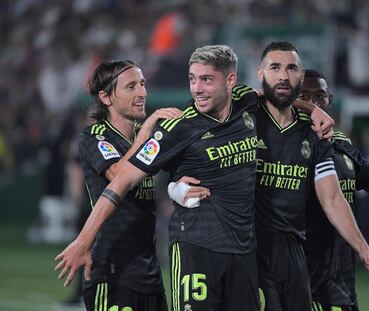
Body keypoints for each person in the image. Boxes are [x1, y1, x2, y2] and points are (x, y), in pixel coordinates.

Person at [54, 46, 333, 311]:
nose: (197, 88)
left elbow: (276, 97)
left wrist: (313, 110)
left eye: (206, 80)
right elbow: (121, 181)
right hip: (196, 251)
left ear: (230, 80)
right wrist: (82, 241)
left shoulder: (246, 103)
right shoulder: (177, 127)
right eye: (192, 79)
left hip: (243, 254)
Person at [253, 41, 369, 311]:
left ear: (300, 76)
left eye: (291, 69)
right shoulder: (243, 116)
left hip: (294, 254)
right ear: (260, 73)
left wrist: (362, 247)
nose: (283, 76)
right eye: (275, 67)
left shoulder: (316, 134)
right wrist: (178, 185)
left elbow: (333, 199)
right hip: (249, 249)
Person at [60, 59, 190, 311]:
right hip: (111, 271)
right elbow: (120, 174)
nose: (142, 92)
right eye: (131, 87)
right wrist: (149, 129)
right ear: (106, 96)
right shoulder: (95, 136)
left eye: (142, 84)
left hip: (150, 273)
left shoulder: (147, 135)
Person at [300, 69, 369, 311]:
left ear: (329, 101)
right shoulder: (284, 145)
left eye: (319, 96)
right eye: (304, 96)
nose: (312, 103)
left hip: (342, 276)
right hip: (307, 280)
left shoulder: (341, 143)